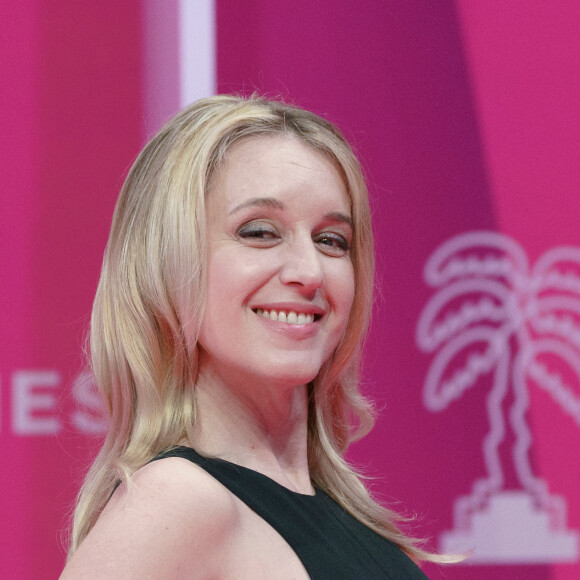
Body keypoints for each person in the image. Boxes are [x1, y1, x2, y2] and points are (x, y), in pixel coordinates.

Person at [60, 95, 440, 578]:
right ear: (166, 263)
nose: (310, 271)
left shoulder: (343, 513)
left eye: (331, 241)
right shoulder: (178, 502)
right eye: (259, 232)